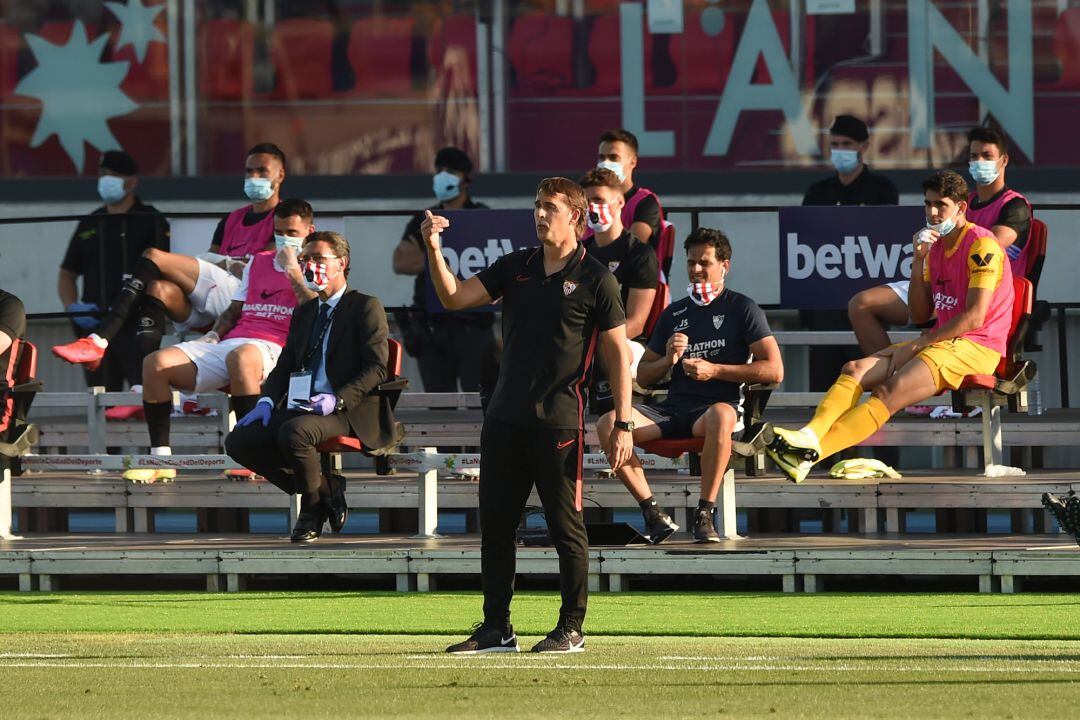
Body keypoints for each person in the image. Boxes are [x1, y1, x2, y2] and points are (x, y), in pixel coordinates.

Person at [423, 178, 632, 655]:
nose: (540, 215)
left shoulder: (598, 277)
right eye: (537, 206)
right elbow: (454, 297)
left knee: (565, 527)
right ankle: (497, 628)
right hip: (503, 419)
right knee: (496, 526)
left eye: (551, 208)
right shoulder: (516, 266)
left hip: (559, 423)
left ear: (575, 218)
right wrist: (434, 248)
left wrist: (622, 423)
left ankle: (571, 628)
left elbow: (618, 354)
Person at [767, 171, 1014, 483]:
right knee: (854, 368)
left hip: (977, 346)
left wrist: (919, 344)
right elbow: (922, 313)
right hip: (942, 343)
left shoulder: (981, 245)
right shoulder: (934, 247)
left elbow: (976, 317)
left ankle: (812, 454)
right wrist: (918, 261)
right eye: (927, 204)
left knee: (887, 391)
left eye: (941, 205)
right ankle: (806, 437)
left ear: (962, 208)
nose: (932, 212)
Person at [597, 228, 783, 543]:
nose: (696, 270)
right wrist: (667, 358)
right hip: (672, 409)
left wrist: (715, 370)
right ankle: (652, 513)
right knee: (607, 423)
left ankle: (704, 513)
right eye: (691, 262)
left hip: (715, 409)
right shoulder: (674, 313)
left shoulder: (742, 308)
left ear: (725, 265)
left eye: (705, 262)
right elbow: (643, 376)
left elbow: (774, 370)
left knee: (722, 416)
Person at [124, 200, 317, 483]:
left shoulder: (316, 265)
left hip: (278, 345)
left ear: (309, 230)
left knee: (241, 357)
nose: (285, 238)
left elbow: (315, 311)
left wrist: (292, 271)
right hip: (236, 339)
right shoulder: (259, 261)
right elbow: (234, 309)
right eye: (279, 231)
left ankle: (251, 453)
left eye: (292, 231)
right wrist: (214, 333)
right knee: (156, 362)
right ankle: (161, 458)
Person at [53, 143, 286, 371]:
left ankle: (100, 338)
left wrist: (223, 262)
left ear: (280, 174)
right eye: (248, 171)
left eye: (262, 171)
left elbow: (258, 267)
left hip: (247, 300)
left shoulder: (284, 218)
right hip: (217, 300)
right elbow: (214, 261)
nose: (253, 177)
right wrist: (221, 262)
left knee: (154, 256)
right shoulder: (232, 219)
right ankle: (142, 381)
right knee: (157, 288)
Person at [225, 231, 394, 543]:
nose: (309, 265)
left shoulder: (365, 306)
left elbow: (377, 368)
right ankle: (326, 487)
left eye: (318, 258)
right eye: (304, 259)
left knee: (295, 433)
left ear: (341, 263)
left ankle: (311, 507)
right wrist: (265, 401)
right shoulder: (305, 312)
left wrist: (337, 399)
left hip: (347, 409)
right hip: (302, 405)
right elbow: (285, 365)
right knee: (239, 441)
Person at [848, 126, 1031, 355]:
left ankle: (902, 373)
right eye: (974, 156)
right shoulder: (961, 202)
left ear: (1003, 161)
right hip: (943, 283)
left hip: (979, 294)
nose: (979, 162)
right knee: (861, 304)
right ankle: (892, 371)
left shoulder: (1014, 206)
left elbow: (988, 250)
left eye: (987, 156)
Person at [56, 150, 170, 390]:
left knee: (143, 394)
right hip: (94, 322)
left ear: (132, 181)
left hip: (137, 321)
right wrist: (72, 308)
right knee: (101, 398)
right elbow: (67, 273)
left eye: (114, 175)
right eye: (102, 174)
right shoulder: (91, 221)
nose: (106, 180)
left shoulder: (151, 219)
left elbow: (166, 269)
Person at [391, 147, 495, 393]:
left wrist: (431, 252)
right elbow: (400, 262)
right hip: (432, 329)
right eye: (438, 171)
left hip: (475, 328)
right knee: (439, 405)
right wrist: (442, 253)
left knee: (479, 401)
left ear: (466, 179)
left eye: (450, 171)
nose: (442, 176)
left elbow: (492, 260)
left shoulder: (482, 216)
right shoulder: (424, 219)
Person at [579, 166, 659, 413]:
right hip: (583, 341)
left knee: (610, 342)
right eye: (588, 201)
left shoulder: (639, 254)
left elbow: (636, 323)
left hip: (630, 345)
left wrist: (599, 337)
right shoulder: (579, 253)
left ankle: (609, 414)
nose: (593, 207)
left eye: (599, 200)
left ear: (619, 202)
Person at [592, 129, 669, 272]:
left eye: (613, 157)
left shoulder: (645, 203)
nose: (605, 163)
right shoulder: (590, 202)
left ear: (632, 162)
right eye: (601, 157)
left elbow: (631, 247)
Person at [802, 115, 899, 207]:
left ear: (864, 147)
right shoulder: (817, 192)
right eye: (835, 144)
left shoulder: (883, 190)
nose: (840, 150)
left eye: (847, 144)